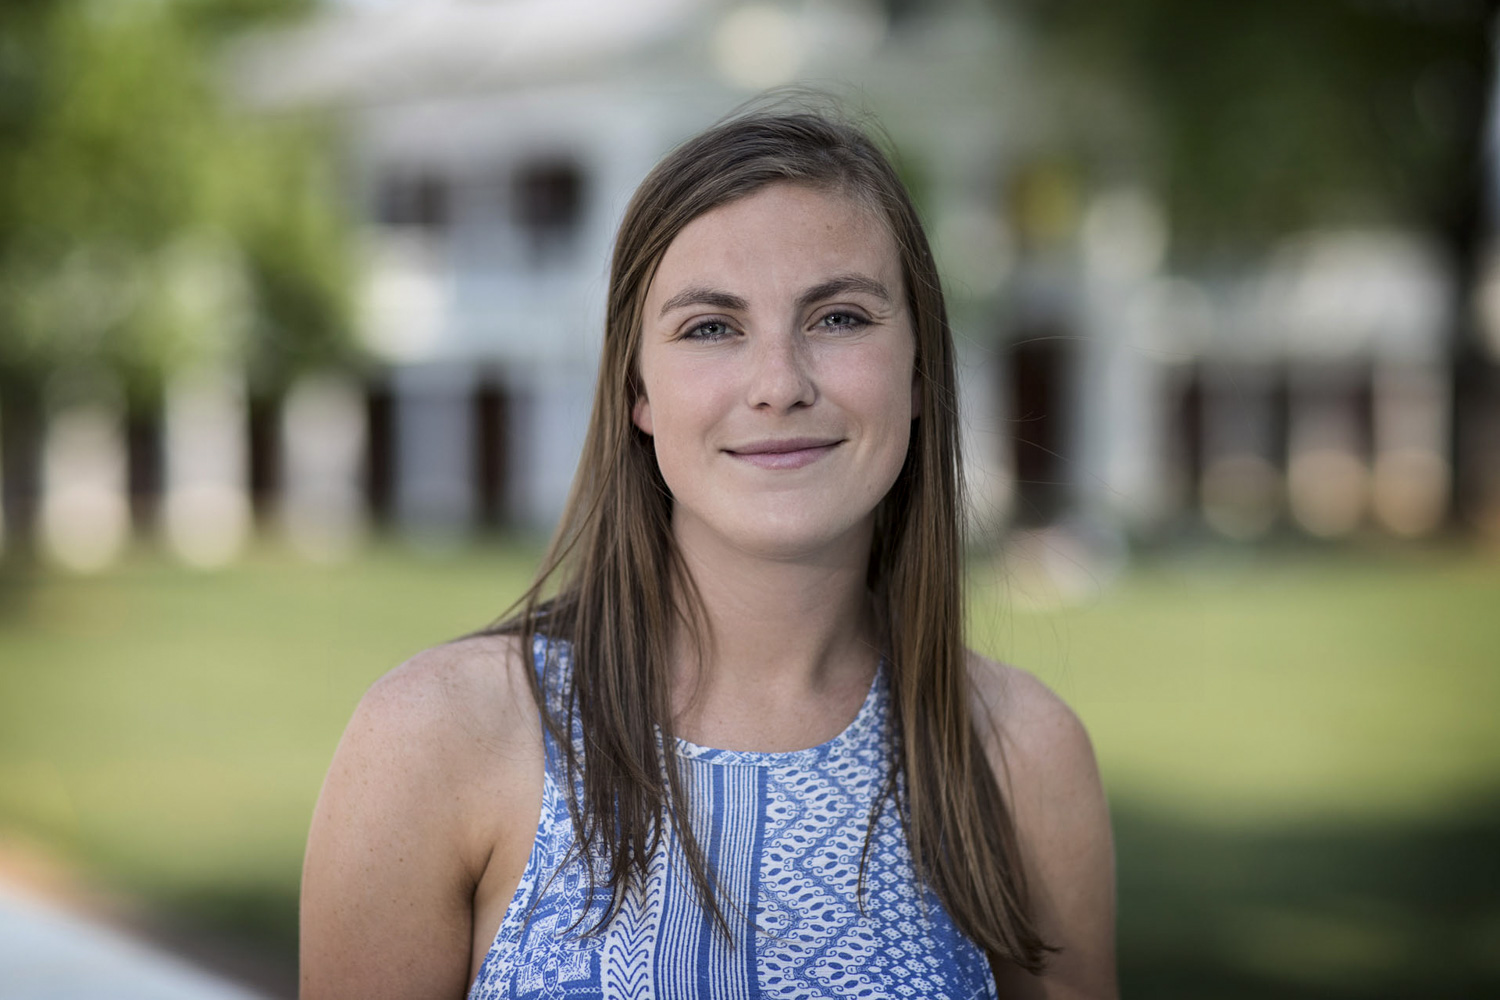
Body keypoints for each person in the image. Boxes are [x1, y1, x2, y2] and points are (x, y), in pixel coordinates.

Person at [300, 106, 1116, 999]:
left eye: (840, 317)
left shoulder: (1020, 756)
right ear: (637, 390)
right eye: (710, 328)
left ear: (920, 372)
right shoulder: (440, 738)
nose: (779, 386)